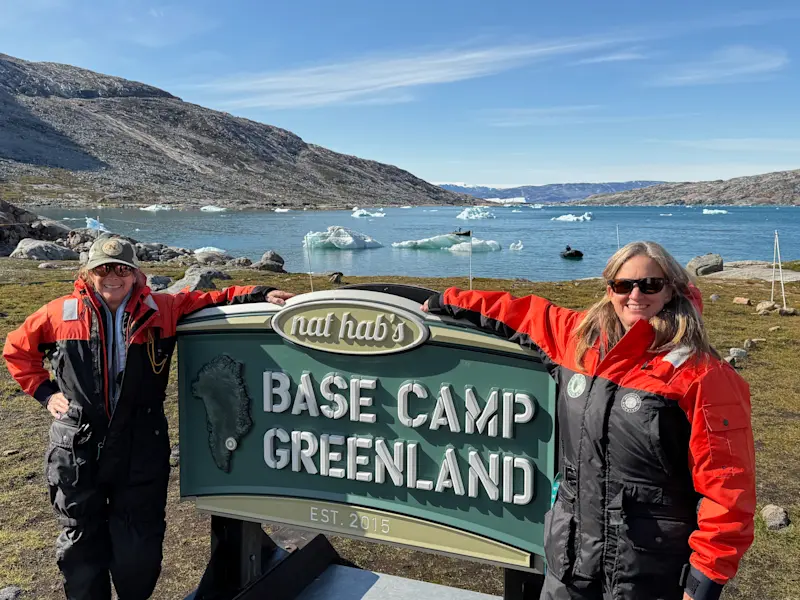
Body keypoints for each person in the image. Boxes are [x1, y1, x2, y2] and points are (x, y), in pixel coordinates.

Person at [421, 241, 755, 600]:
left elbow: (728, 492)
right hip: (569, 563)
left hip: (649, 575)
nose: (635, 295)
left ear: (672, 287)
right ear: (609, 289)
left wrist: (702, 583)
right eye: (623, 285)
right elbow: (521, 313)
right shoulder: (579, 339)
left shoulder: (704, 375)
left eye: (650, 284)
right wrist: (448, 300)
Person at [3, 235, 294, 600]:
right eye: (103, 268)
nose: (113, 276)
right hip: (77, 445)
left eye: (122, 268)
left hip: (141, 443)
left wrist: (260, 292)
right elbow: (17, 349)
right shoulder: (60, 312)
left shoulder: (162, 308)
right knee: (80, 540)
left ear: (136, 274)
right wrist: (46, 394)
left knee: (139, 542)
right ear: (88, 272)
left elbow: (209, 299)